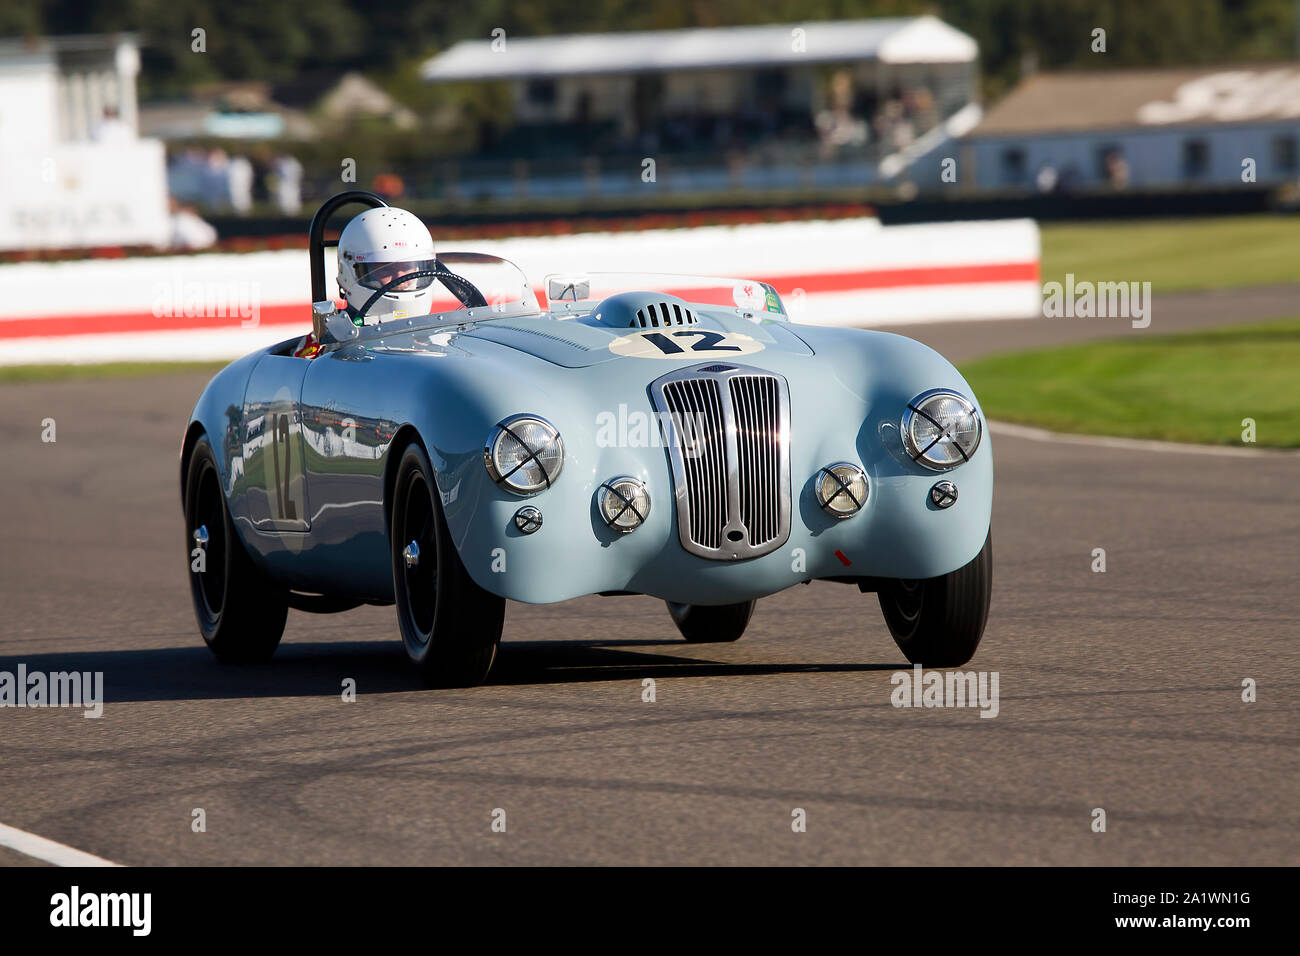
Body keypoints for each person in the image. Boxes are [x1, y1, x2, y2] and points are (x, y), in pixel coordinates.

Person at [294, 206, 438, 358]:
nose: (400, 279)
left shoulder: (443, 333)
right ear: (348, 273)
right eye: (385, 270)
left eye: (407, 268)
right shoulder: (324, 346)